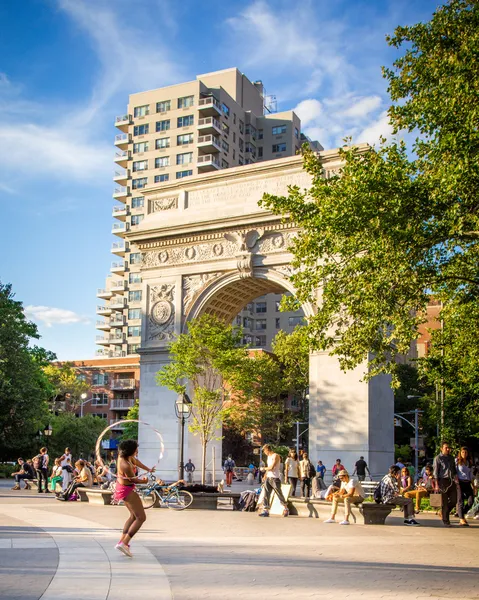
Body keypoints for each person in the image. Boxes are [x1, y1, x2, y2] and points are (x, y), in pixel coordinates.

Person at [112, 439, 155, 558]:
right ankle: (125, 543)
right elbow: (133, 479)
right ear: (131, 450)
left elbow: (136, 461)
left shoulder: (127, 458)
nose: (137, 450)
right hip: (127, 490)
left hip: (124, 488)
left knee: (133, 516)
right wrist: (144, 481)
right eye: (136, 448)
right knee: (141, 517)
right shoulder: (124, 464)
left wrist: (148, 469)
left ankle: (122, 541)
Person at [258, 444, 289, 517]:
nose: (264, 452)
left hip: (275, 478)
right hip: (269, 477)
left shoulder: (276, 456)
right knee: (266, 494)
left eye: (264, 451)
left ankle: (286, 508)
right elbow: (269, 468)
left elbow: (271, 467)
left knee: (279, 493)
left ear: (267, 449)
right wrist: (265, 476)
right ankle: (266, 510)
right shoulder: (268, 457)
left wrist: (263, 468)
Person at [433, 441, 458, 527]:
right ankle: (446, 520)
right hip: (442, 481)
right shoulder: (438, 458)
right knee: (445, 502)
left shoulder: (451, 458)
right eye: (446, 448)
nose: (448, 449)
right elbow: (435, 472)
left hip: (451, 481)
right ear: (441, 449)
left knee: (454, 500)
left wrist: (456, 480)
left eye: (449, 448)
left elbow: (454, 470)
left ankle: (443, 513)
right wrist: (436, 484)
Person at [456, 447, 473, 527]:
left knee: (471, 500)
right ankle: (461, 519)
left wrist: (473, 484)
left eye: (465, 452)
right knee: (460, 500)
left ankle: (461, 513)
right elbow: (454, 472)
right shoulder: (457, 461)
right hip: (460, 482)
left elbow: (471, 474)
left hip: (467, 482)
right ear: (460, 453)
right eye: (462, 452)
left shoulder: (469, 462)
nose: (464, 454)